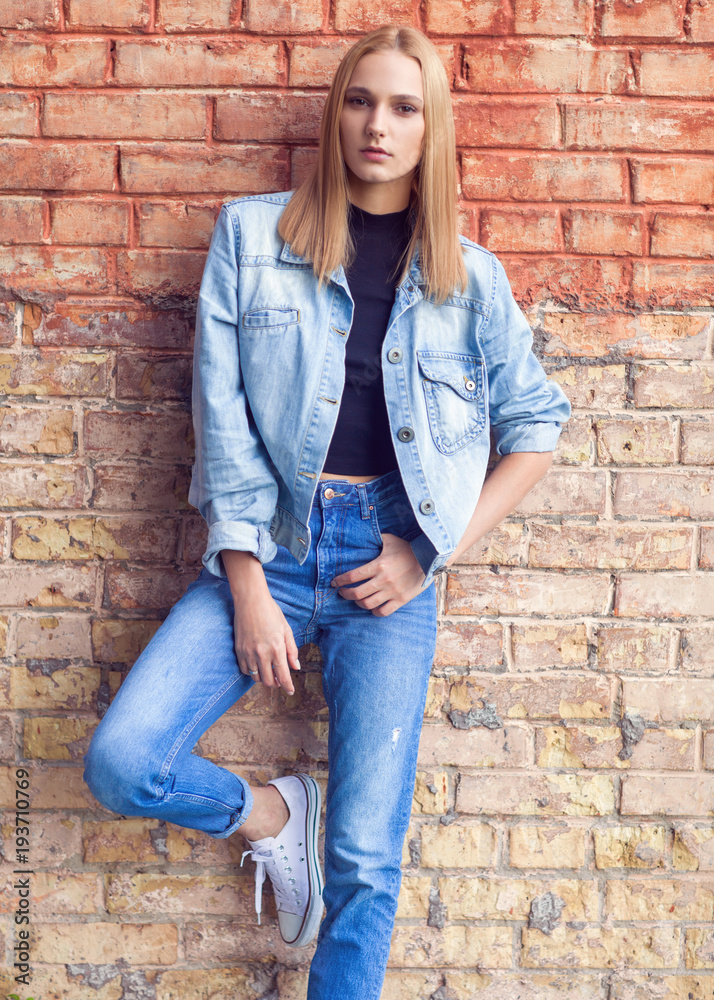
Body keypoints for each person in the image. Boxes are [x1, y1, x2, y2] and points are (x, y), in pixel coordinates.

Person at [83, 24, 570, 998]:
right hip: (268, 544)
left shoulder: (471, 278)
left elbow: (538, 427)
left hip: (390, 564)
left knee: (364, 858)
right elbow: (220, 425)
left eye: (402, 107)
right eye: (359, 101)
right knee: (122, 758)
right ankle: (271, 816)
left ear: (432, 129)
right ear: (332, 113)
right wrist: (250, 585)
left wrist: (425, 554)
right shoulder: (252, 239)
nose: (377, 125)